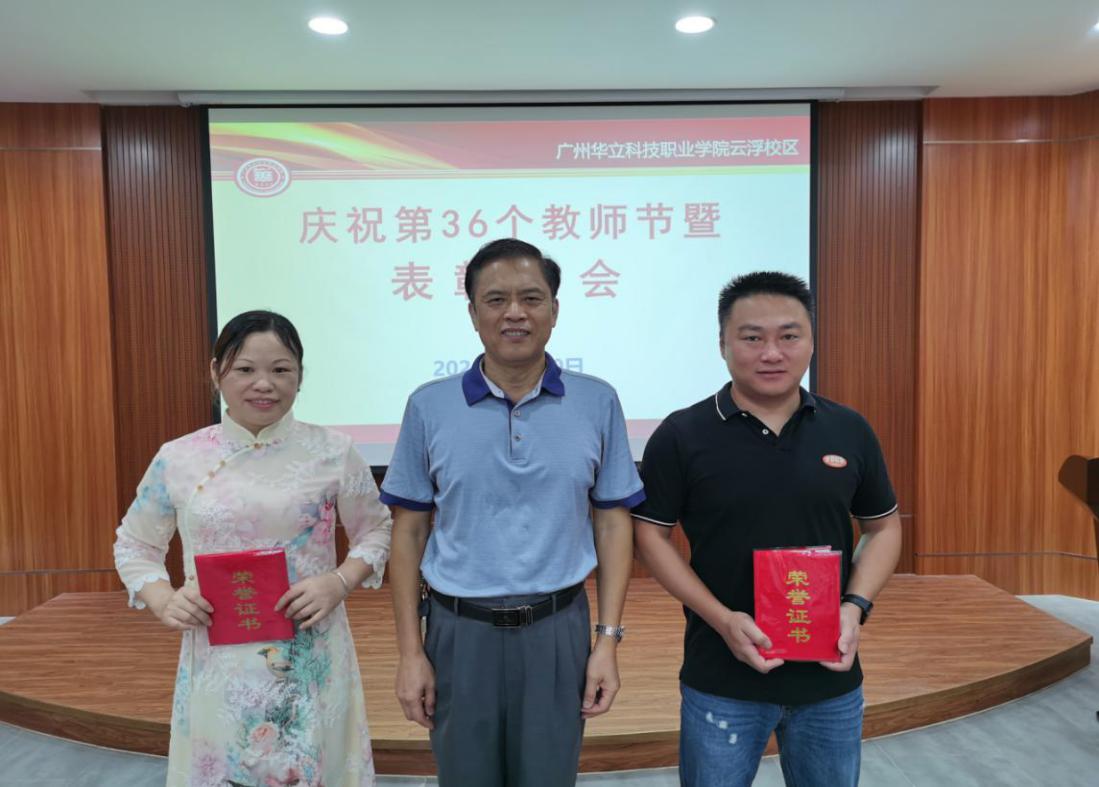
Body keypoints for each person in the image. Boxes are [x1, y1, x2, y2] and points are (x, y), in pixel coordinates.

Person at [381, 238, 643, 787]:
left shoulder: (597, 402)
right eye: (496, 299)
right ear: (473, 313)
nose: (515, 313)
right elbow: (408, 533)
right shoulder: (429, 405)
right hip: (457, 632)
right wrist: (410, 653)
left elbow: (612, 522)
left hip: (558, 630)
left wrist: (607, 641)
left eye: (531, 298)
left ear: (555, 309)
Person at [632, 272, 902, 787]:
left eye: (789, 336)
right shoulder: (682, 434)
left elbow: (883, 527)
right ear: (723, 344)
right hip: (721, 679)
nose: (772, 353)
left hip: (830, 680)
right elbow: (650, 537)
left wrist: (855, 607)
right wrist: (722, 620)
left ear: (812, 341)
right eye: (752, 337)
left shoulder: (849, 428)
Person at [113, 310, 392, 787]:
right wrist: (163, 598)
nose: (264, 384)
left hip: (309, 652)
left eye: (281, 369)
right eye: (245, 369)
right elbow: (135, 544)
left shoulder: (333, 451)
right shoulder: (178, 458)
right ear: (215, 371)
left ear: (300, 375)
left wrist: (339, 581)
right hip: (218, 659)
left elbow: (376, 531)